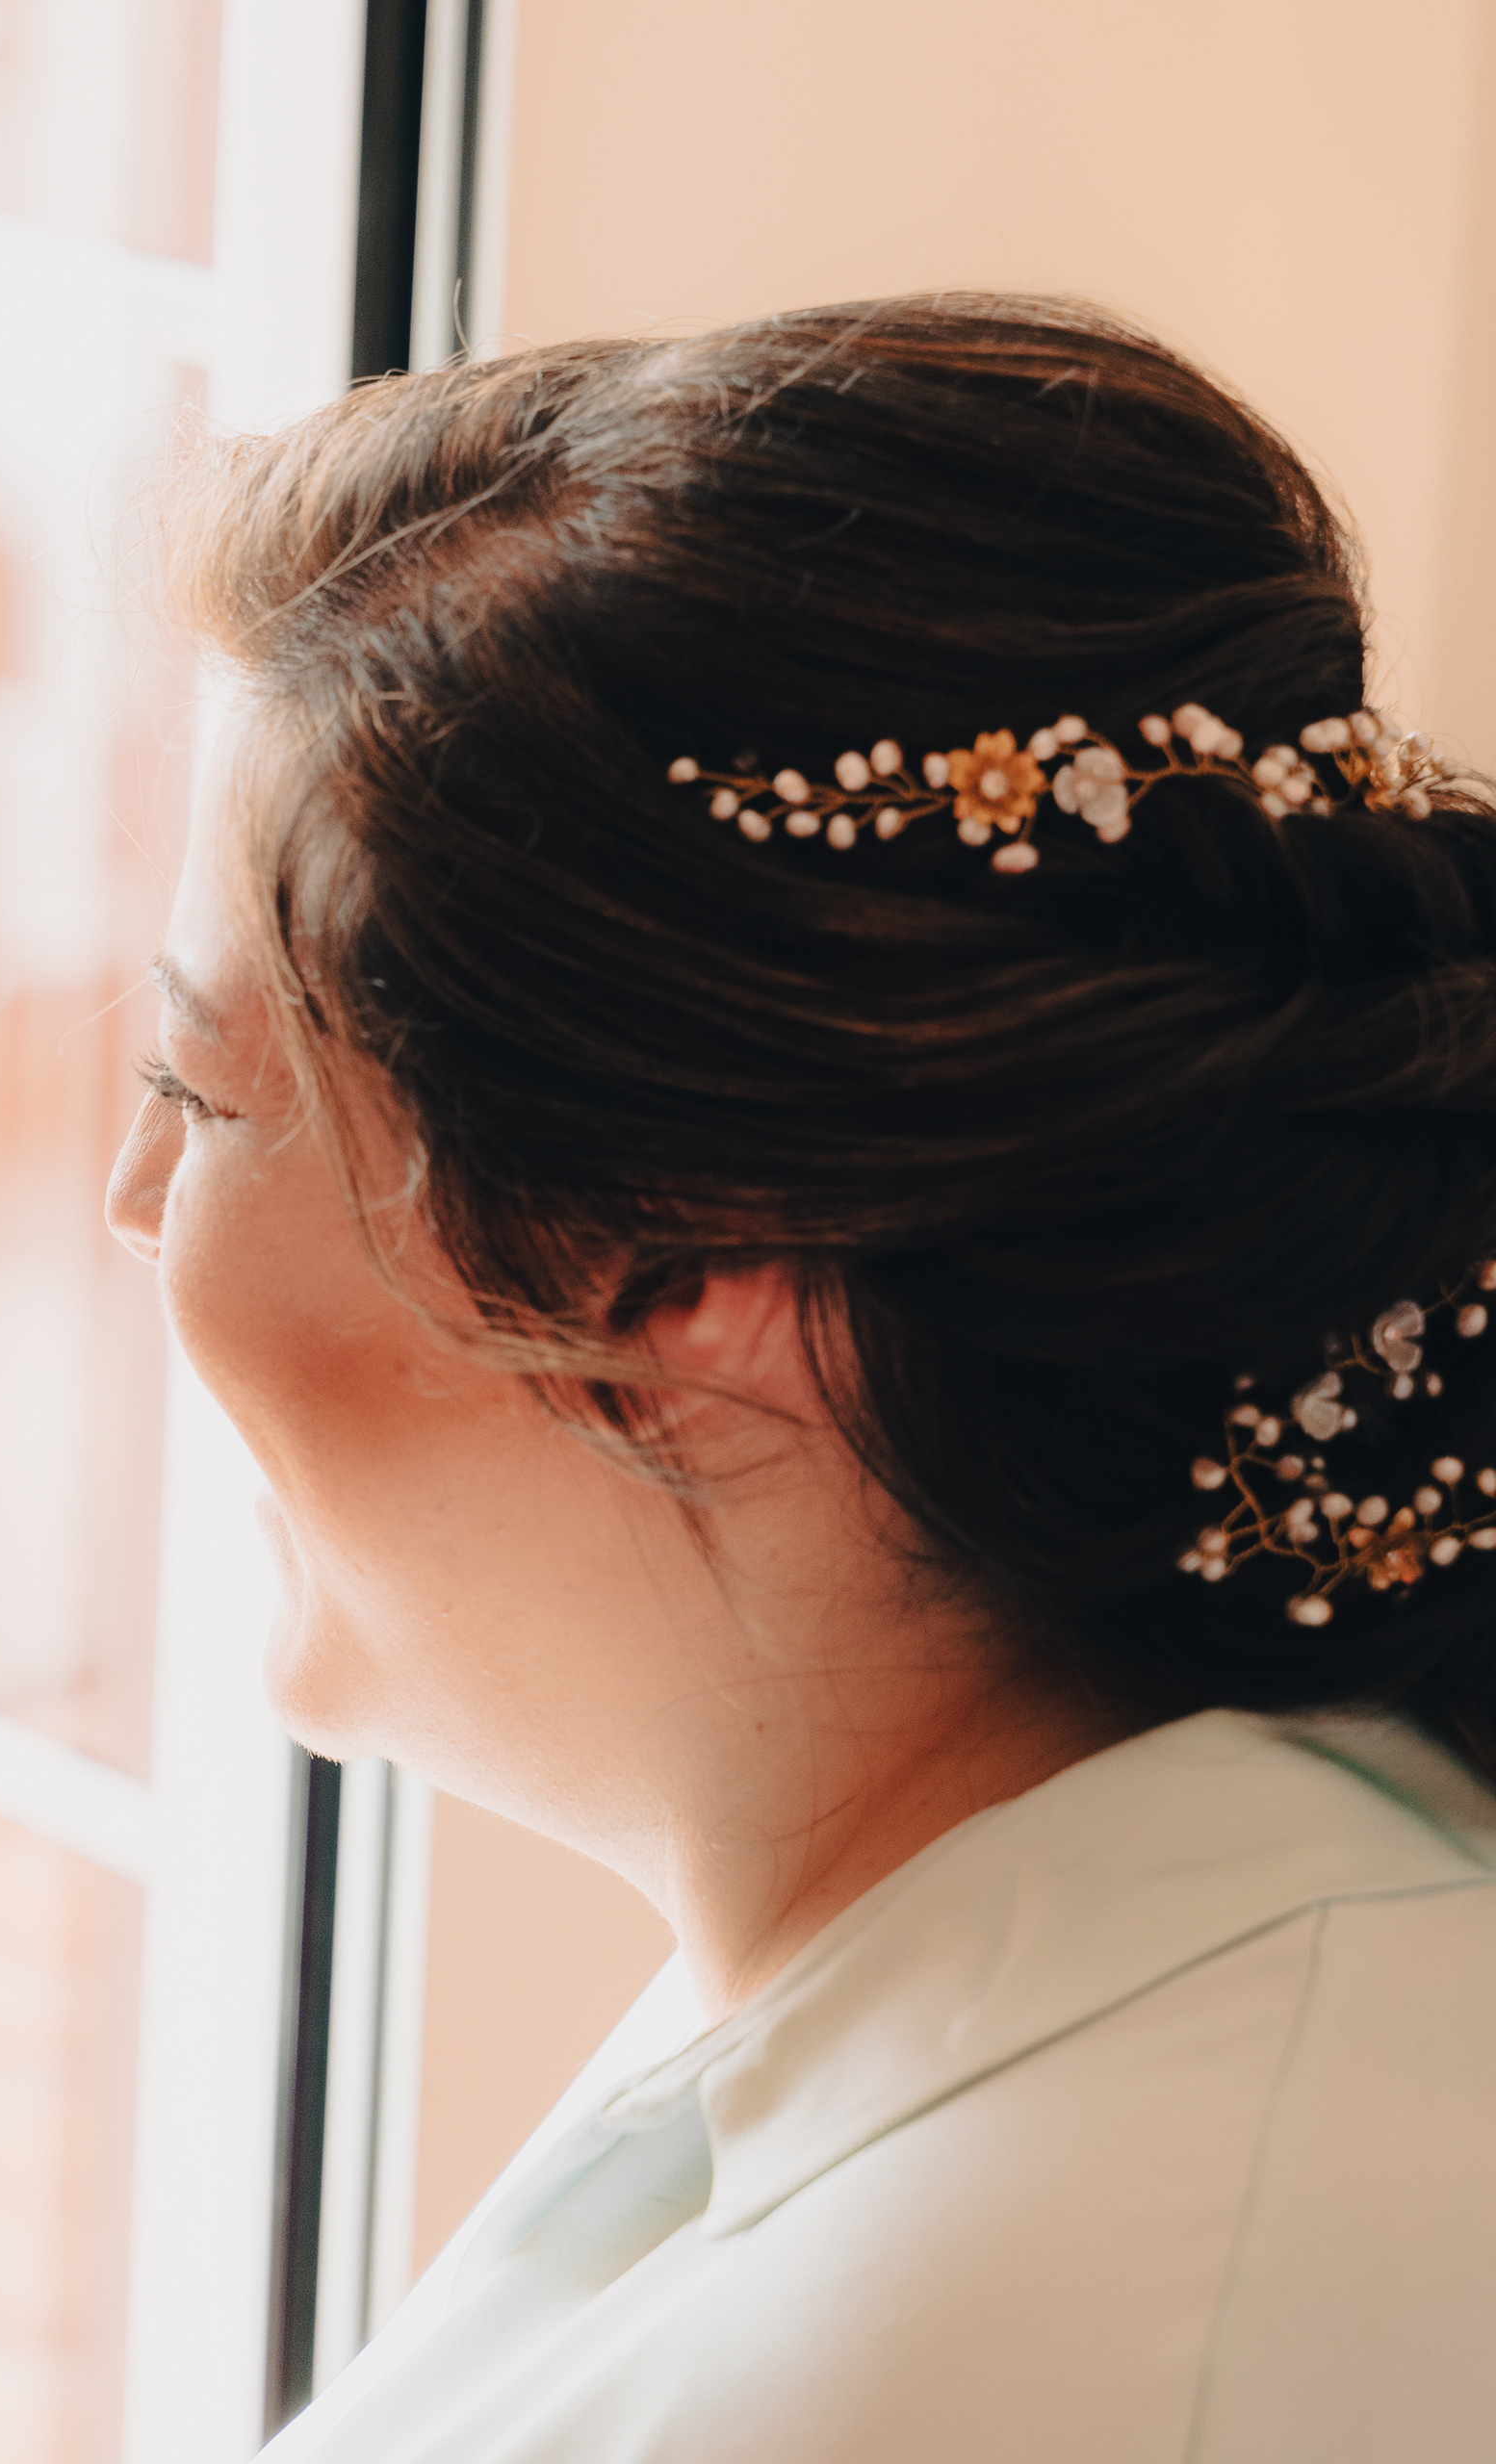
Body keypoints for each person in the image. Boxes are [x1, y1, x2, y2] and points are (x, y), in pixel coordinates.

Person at [118, 294, 1496, 2459]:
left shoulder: (1011, 2356)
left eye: (198, 1094)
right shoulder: (1053, 1989)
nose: (130, 1204)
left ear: (686, 1268)